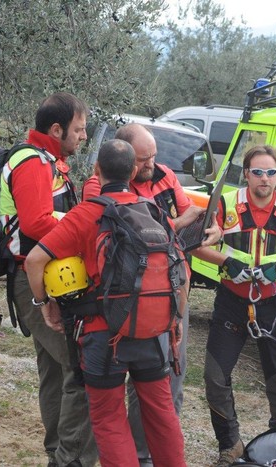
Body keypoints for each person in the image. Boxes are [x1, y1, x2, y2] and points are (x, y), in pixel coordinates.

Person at [24, 139, 186, 467]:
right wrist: (176, 319)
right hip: (153, 332)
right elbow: (179, 269)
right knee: (161, 414)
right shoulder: (152, 210)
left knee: (110, 420)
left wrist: (43, 304)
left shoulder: (88, 213)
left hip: (104, 335)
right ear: (133, 171)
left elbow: (34, 260)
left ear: (97, 171)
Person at [82, 123, 221, 466]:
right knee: (119, 395)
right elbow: (117, 233)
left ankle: (148, 457)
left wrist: (205, 228)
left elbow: (186, 217)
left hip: (170, 295)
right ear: (125, 157)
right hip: (120, 302)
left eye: (154, 156)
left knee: (165, 389)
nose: (151, 164)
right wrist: (172, 226)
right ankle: (138, 456)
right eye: (144, 159)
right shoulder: (101, 186)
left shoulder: (164, 176)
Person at [195, 145, 276, 466]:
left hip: (275, 304)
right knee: (214, 375)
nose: (264, 179)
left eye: (270, 172)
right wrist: (225, 260)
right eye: (257, 172)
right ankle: (230, 444)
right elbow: (196, 246)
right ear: (246, 174)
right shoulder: (226, 205)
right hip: (232, 301)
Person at [0, 92, 97, 467]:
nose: (83, 137)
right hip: (34, 279)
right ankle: (69, 458)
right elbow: (37, 222)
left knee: (55, 371)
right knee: (79, 369)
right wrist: (85, 224)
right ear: (56, 129)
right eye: (79, 130)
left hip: (42, 276)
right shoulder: (34, 163)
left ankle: (58, 451)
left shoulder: (45, 161)